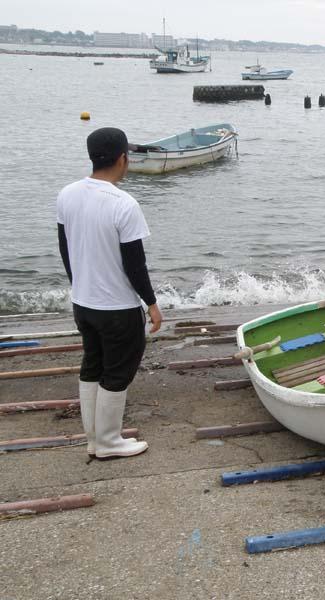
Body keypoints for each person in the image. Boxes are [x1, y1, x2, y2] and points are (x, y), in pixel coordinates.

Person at [57, 127, 162, 459]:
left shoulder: (67, 194)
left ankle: (95, 439)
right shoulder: (124, 203)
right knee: (118, 371)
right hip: (117, 308)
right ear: (122, 159)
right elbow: (135, 265)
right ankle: (108, 442)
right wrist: (151, 303)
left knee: (93, 365)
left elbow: (65, 249)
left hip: (83, 303)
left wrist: (79, 284)